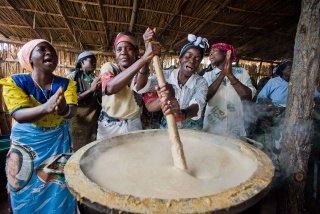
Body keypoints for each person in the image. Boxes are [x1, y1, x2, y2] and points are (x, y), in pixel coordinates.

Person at [0, 39, 77, 213]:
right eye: (42, 50)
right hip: (27, 146)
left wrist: (64, 110)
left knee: (59, 187)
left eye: (52, 52)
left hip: (57, 145)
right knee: (23, 187)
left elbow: (72, 111)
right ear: (30, 59)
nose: (49, 53)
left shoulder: (66, 84)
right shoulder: (15, 82)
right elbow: (19, 114)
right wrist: (47, 107)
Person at [97, 29, 161, 139]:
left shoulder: (140, 73)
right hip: (109, 127)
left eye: (129, 48)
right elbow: (110, 88)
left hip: (133, 126)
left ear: (136, 52)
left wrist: (147, 53)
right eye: (119, 49)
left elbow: (141, 87)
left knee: (133, 155)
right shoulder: (109, 67)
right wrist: (145, 57)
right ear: (115, 53)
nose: (123, 52)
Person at [138, 33, 209, 130]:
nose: (192, 61)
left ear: (198, 65)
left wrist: (180, 115)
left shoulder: (201, 82)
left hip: (192, 129)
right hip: (167, 127)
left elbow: (197, 106)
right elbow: (140, 87)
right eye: (188, 56)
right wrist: (146, 58)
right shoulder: (164, 76)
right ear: (180, 60)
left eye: (197, 59)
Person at [202, 43, 256, 137]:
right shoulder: (208, 75)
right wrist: (222, 74)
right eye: (210, 53)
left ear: (227, 53)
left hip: (235, 129)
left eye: (214, 51)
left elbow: (248, 96)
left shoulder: (241, 72)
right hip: (213, 129)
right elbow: (204, 97)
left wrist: (230, 75)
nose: (210, 54)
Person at [67, 51, 101, 150]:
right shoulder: (72, 77)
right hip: (78, 120)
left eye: (95, 62)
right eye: (91, 61)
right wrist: (91, 90)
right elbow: (70, 100)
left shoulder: (95, 78)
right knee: (77, 146)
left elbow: (101, 100)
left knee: (90, 146)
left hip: (92, 119)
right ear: (82, 62)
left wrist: (98, 91)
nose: (94, 64)